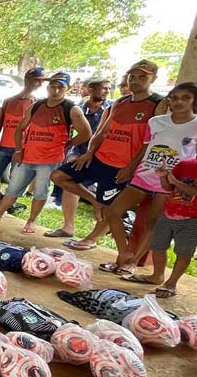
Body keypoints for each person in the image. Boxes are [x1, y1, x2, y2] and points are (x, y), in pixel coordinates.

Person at [50, 60, 164, 253]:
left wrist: (131, 167)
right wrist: (89, 152)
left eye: (142, 76)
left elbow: (154, 141)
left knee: (111, 208)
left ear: (153, 78)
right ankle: (94, 200)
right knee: (58, 176)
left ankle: (92, 238)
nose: (135, 81)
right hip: (100, 158)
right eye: (132, 76)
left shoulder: (158, 104)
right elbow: (102, 132)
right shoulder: (120, 102)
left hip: (123, 166)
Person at [98, 82, 197, 276]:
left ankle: (132, 262)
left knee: (153, 223)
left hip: (170, 183)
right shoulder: (156, 122)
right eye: (175, 98)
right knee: (112, 212)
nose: (179, 102)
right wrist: (131, 167)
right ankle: (123, 253)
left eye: (185, 98)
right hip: (143, 176)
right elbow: (146, 147)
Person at [0, 73, 91, 234]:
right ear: (48, 87)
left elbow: (86, 133)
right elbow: (20, 129)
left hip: (50, 160)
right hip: (27, 156)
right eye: (53, 86)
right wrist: (18, 149)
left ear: (67, 88)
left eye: (60, 87)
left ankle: (31, 221)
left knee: (40, 191)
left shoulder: (71, 109)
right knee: (13, 188)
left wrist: (68, 143)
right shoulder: (37, 106)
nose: (56, 91)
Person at [46, 76, 113, 231]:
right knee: (69, 178)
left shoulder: (112, 109)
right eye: (104, 88)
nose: (107, 91)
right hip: (80, 153)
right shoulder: (77, 109)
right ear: (90, 90)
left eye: (109, 88)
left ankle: (98, 230)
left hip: (105, 156)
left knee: (108, 195)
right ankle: (68, 226)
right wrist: (69, 147)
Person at [132, 156, 197, 297]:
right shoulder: (185, 164)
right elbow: (168, 187)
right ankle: (157, 276)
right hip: (169, 212)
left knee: (184, 252)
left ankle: (171, 283)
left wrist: (175, 182)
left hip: (192, 219)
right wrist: (163, 177)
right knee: (158, 246)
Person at [0, 67, 44, 199]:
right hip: (4, 146)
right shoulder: (9, 100)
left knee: (15, 182)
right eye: (36, 80)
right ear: (27, 80)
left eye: (41, 81)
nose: (39, 84)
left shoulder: (36, 103)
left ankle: (7, 205)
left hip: (21, 148)